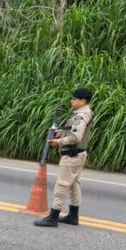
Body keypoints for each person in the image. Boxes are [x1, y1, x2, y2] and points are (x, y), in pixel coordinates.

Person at [35, 87, 95, 227]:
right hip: (78, 154)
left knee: (62, 185)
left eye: (74, 99)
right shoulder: (85, 112)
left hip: (71, 155)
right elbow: (74, 131)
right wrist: (61, 133)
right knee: (74, 185)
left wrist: (59, 142)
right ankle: (73, 216)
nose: (71, 101)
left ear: (83, 100)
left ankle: (53, 217)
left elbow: (75, 136)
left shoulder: (80, 115)